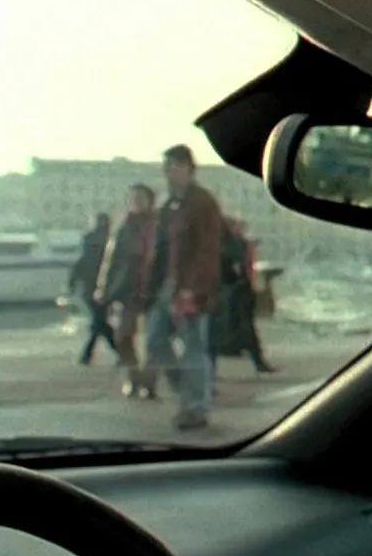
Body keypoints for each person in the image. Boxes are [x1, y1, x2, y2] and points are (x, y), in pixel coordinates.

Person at [137, 144, 225, 431]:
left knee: (194, 347)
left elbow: (208, 249)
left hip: (191, 286)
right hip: (168, 285)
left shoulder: (202, 203)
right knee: (155, 340)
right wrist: (150, 289)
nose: (168, 173)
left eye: (173, 167)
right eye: (166, 168)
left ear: (189, 168)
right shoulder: (169, 206)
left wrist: (193, 288)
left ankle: (196, 407)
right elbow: (160, 250)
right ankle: (186, 393)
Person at [95, 184, 159, 399]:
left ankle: (149, 382)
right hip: (129, 288)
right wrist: (103, 287)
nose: (137, 202)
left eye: (141, 198)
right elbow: (110, 260)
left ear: (150, 201)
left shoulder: (159, 225)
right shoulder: (125, 227)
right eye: (134, 198)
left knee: (156, 339)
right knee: (123, 336)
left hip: (154, 288)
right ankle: (135, 376)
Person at [211, 216, 276, 375]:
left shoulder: (229, 244)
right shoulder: (233, 245)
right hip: (233, 292)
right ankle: (257, 361)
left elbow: (245, 268)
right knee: (235, 329)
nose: (240, 230)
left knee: (228, 331)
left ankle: (256, 361)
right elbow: (243, 268)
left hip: (234, 292)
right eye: (237, 227)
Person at [69, 212, 116, 365]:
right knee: (100, 322)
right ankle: (118, 351)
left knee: (99, 322)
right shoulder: (108, 242)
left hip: (89, 288)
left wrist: (72, 284)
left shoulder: (89, 242)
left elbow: (79, 265)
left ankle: (88, 355)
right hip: (102, 287)